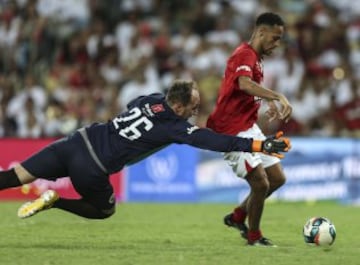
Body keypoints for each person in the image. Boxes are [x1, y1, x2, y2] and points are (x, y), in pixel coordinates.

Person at [0, 79, 290, 221]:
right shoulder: (173, 127)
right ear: (177, 107)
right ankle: (55, 202)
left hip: (75, 141)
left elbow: (132, 105)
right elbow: (215, 141)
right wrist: (260, 144)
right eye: (193, 107)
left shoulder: (149, 99)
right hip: (93, 167)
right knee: (105, 209)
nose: (195, 111)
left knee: (15, 176)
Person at [206, 12, 293, 247]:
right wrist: (277, 95)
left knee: (277, 179)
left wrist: (267, 103)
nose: (276, 44)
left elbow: (245, 91)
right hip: (231, 130)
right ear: (261, 32)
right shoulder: (244, 54)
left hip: (247, 126)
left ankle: (237, 216)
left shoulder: (256, 58)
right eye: (275, 38)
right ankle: (254, 237)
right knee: (261, 183)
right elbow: (244, 84)